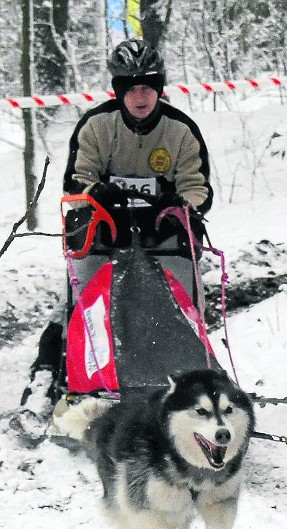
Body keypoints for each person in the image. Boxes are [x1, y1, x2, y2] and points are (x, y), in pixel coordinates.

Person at [21, 38, 213, 412]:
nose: (140, 97)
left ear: (159, 89)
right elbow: (76, 181)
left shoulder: (180, 131)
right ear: (119, 91)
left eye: (147, 87)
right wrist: (98, 194)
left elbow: (198, 187)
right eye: (131, 88)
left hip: (163, 231)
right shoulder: (96, 126)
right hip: (103, 229)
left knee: (185, 300)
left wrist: (180, 205)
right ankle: (50, 369)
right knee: (84, 301)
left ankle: (187, 375)